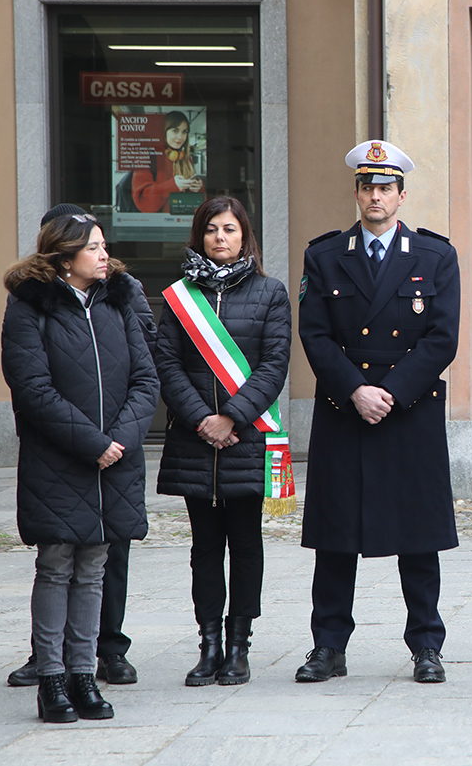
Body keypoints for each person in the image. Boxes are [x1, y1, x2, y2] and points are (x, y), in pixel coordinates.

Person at [296, 139, 460, 685]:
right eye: (367, 187)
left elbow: (442, 339)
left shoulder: (436, 256)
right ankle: (328, 646)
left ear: (401, 195)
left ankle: (427, 647)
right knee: (336, 537)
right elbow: (315, 335)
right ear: (358, 193)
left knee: (418, 538)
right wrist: (356, 391)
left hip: (408, 411)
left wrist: (389, 391)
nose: (376, 196)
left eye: (386, 188)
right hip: (346, 410)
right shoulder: (323, 255)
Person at [1, 213, 159, 721]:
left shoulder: (118, 300)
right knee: (55, 566)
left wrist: (121, 439)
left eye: (104, 245)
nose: (103, 254)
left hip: (114, 459)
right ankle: (51, 679)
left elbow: (145, 377)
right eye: (93, 247)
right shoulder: (29, 308)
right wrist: (92, 442)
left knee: (94, 568)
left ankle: (83, 675)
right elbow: (32, 389)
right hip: (60, 461)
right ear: (65, 257)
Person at [154, 196, 291, 686]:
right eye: (211, 229)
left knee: (246, 544)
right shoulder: (177, 298)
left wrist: (231, 417)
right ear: (199, 235)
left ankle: (239, 646)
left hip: (247, 438)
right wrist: (201, 420)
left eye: (229, 229)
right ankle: (207, 645)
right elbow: (166, 366)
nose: (220, 237)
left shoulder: (270, 293)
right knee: (204, 548)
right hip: (195, 442)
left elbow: (275, 365)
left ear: (244, 235)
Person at [132, 110, 204, 214]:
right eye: (175, 131)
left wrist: (198, 188)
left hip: (184, 220)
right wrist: (173, 186)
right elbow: (144, 200)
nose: (180, 137)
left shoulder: (186, 159)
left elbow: (199, 203)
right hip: (157, 224)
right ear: (163, 131)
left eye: (184, 132)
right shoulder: (148, 157)